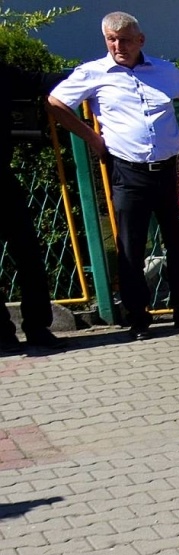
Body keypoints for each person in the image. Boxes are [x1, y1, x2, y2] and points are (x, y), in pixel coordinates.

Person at [48, 11, 179, 342]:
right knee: (130, 247)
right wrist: (93, 140)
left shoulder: (164, 70)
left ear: (140, 40)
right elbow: (56, 102)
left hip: (171, 168)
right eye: (111, 40)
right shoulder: (93, 73)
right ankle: (138, 318)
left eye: (125, 40)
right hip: (127, 170)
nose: (119, 46)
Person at [0, 60, 67, 353]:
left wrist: (93, 72)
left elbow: (40, 79)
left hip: (2, 181)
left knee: (29, 254)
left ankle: (38, 327)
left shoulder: (4, 74)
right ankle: (3, 335)